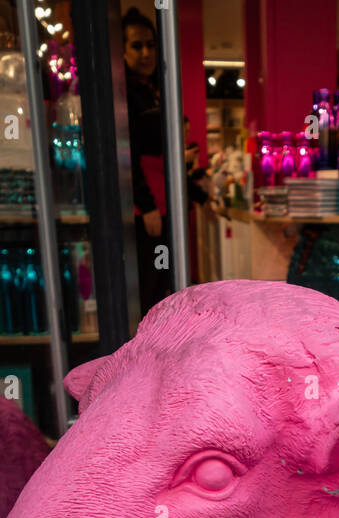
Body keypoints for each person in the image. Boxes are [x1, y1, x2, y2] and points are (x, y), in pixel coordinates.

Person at [123, 8, 209, 314]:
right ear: (123, 49)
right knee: (152, 279)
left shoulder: (152, 92)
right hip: (148, 205)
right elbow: (126, 154)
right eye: (136, 45)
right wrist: (145, 204)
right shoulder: (124, 95)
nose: (146, 52)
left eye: (150, 44)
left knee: (164, 278)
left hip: (164, 200)